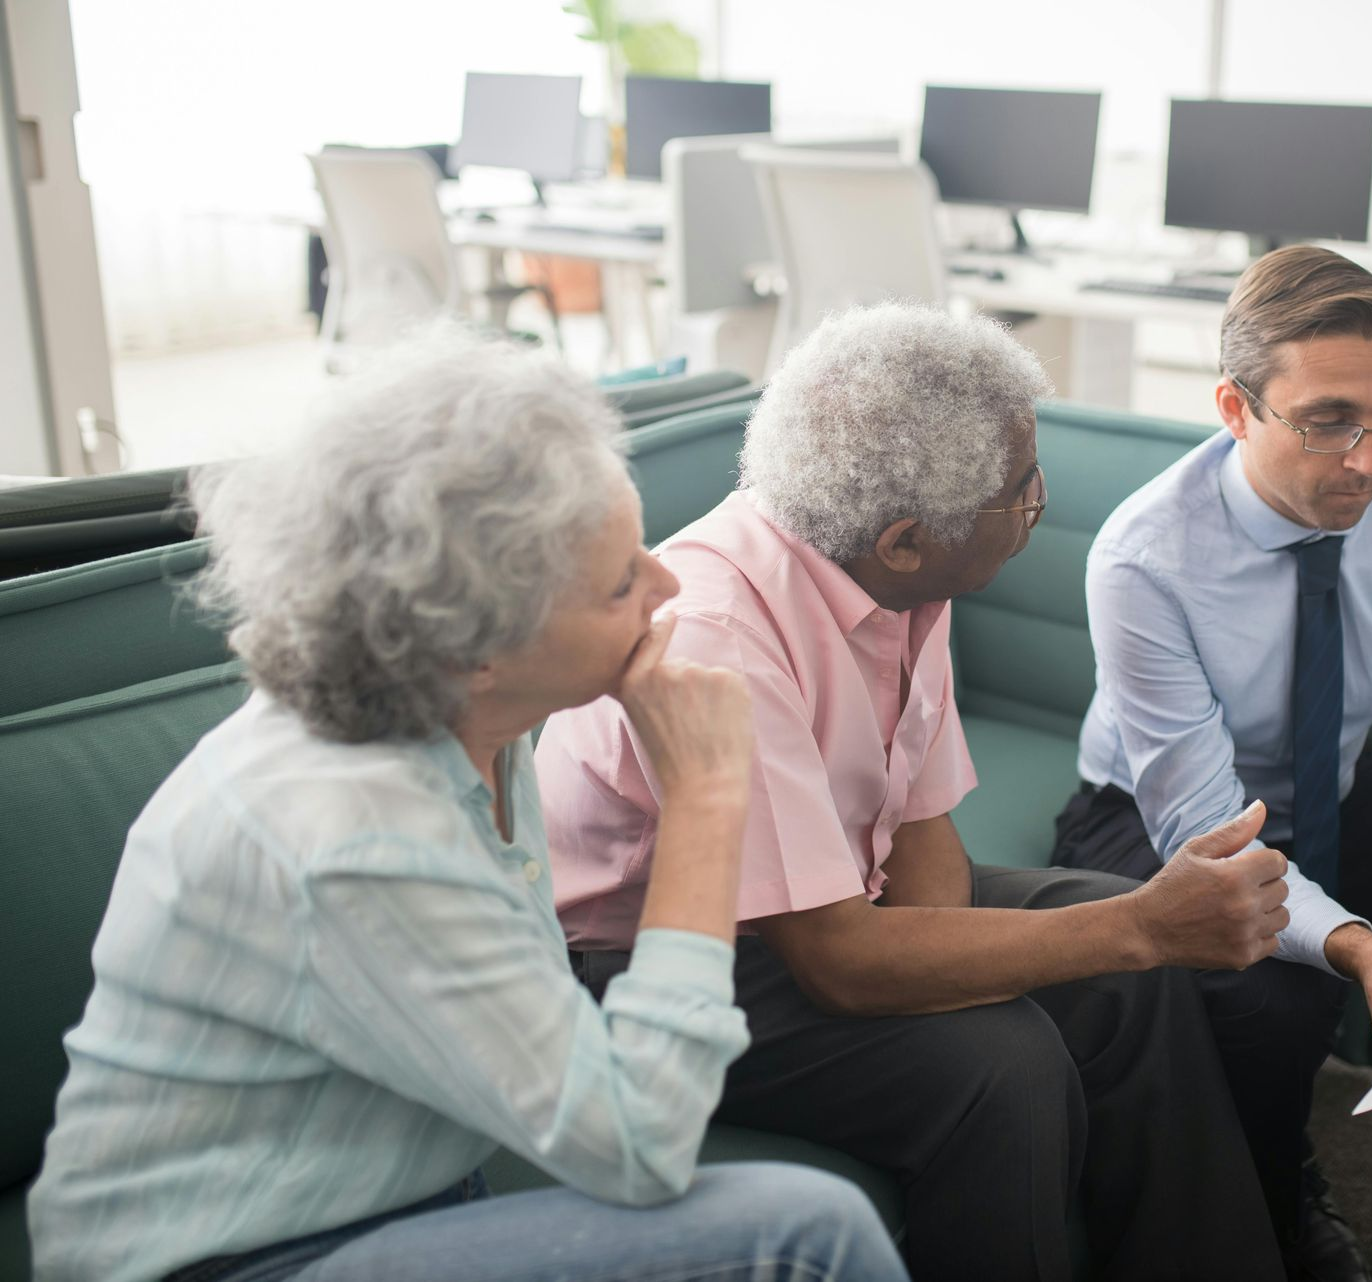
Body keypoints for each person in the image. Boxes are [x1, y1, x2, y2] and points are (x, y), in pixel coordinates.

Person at [26, 326, 909, 1282]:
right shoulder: (353, 834)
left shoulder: (474, 723)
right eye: (621, 584)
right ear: (474, 649)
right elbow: (641, 1146)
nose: (668, 584)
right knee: (806, 1232)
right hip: (234, 1262)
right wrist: (705, 796)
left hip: (398, 1204)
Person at [535, 301, 1298, 1282]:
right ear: (904, 538)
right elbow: (841, 963)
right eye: (1023, 493)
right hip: (643, 957)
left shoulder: (898, 577)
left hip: (823, 903)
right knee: (1005, 1064)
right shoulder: (719, 638)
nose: (1038, 503)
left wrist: (1061, 948)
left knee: (1122, 963)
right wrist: (1146, 924)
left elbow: (921, 840)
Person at [1053, 244, 1372, 1282]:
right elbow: (1202, 822)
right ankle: (1275, 1195)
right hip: (1164, 808)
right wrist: (1354, 943)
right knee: (1263, 995)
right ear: (1235, 410)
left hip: (1338, 772)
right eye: (1327, 421)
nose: (1365, 457)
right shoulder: (1145, 558)